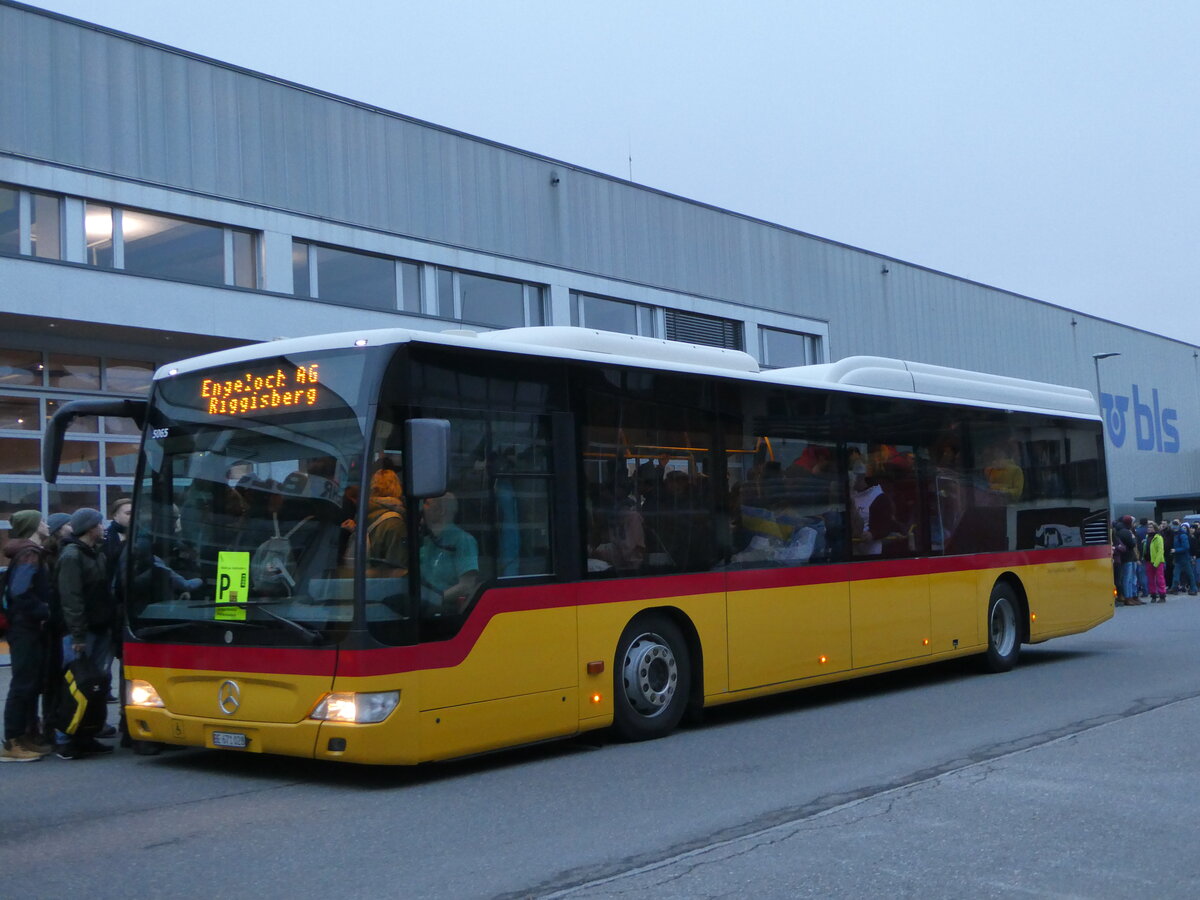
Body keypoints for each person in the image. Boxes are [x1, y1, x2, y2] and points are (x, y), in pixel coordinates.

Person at [55, 507, 116, 758]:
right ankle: (65, 739)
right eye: (100, 524)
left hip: (99, 628)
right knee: (75, 685)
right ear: (90, 528)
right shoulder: (72, 556)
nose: (103, 528)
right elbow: (72, 599)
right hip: (82, 632)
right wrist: (78, 635)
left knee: (94, 686)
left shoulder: (95, 553)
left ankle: (87, 734)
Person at [2, 510, 52, 761]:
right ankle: (12, 742)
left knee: (29, 683)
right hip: (25, 628)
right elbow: (20, 591)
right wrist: (45, 610)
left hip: (25, 627)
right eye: (41, 520)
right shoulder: (29, 554)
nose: (46, 524)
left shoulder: (28, 552)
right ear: (33, 526)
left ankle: (25, 737)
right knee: (23, 684)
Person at [419, 492, 479, 615]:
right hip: (424, 606)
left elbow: (466, 586)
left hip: (446, 612)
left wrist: (436, 600)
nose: (422, 508)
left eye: (427, 503)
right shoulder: (429, 541)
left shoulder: (463, 541)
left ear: (441, 511)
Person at [1114, 516, 1141, 605]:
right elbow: (1132, 544)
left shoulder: (1118, 531)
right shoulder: (1126, 532)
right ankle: (1129, 597)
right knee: (1128, 578)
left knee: (1127, 578)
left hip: (1123, 557)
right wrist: (1133, 539)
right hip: (1129, 557)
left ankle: (1129, 596)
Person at [1143, 522, 1166, 603]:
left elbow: (1160, 551)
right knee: (1150, 579)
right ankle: (1153, 595)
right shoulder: (1147, 537)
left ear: (1155, 528)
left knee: (1160, 579)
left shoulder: (1158, 537)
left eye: (1151, 527)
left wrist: (1156, 562)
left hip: (1157, 561)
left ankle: (1162, 595)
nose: (1149, 529)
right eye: (1148, 527)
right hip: (1148, 560)